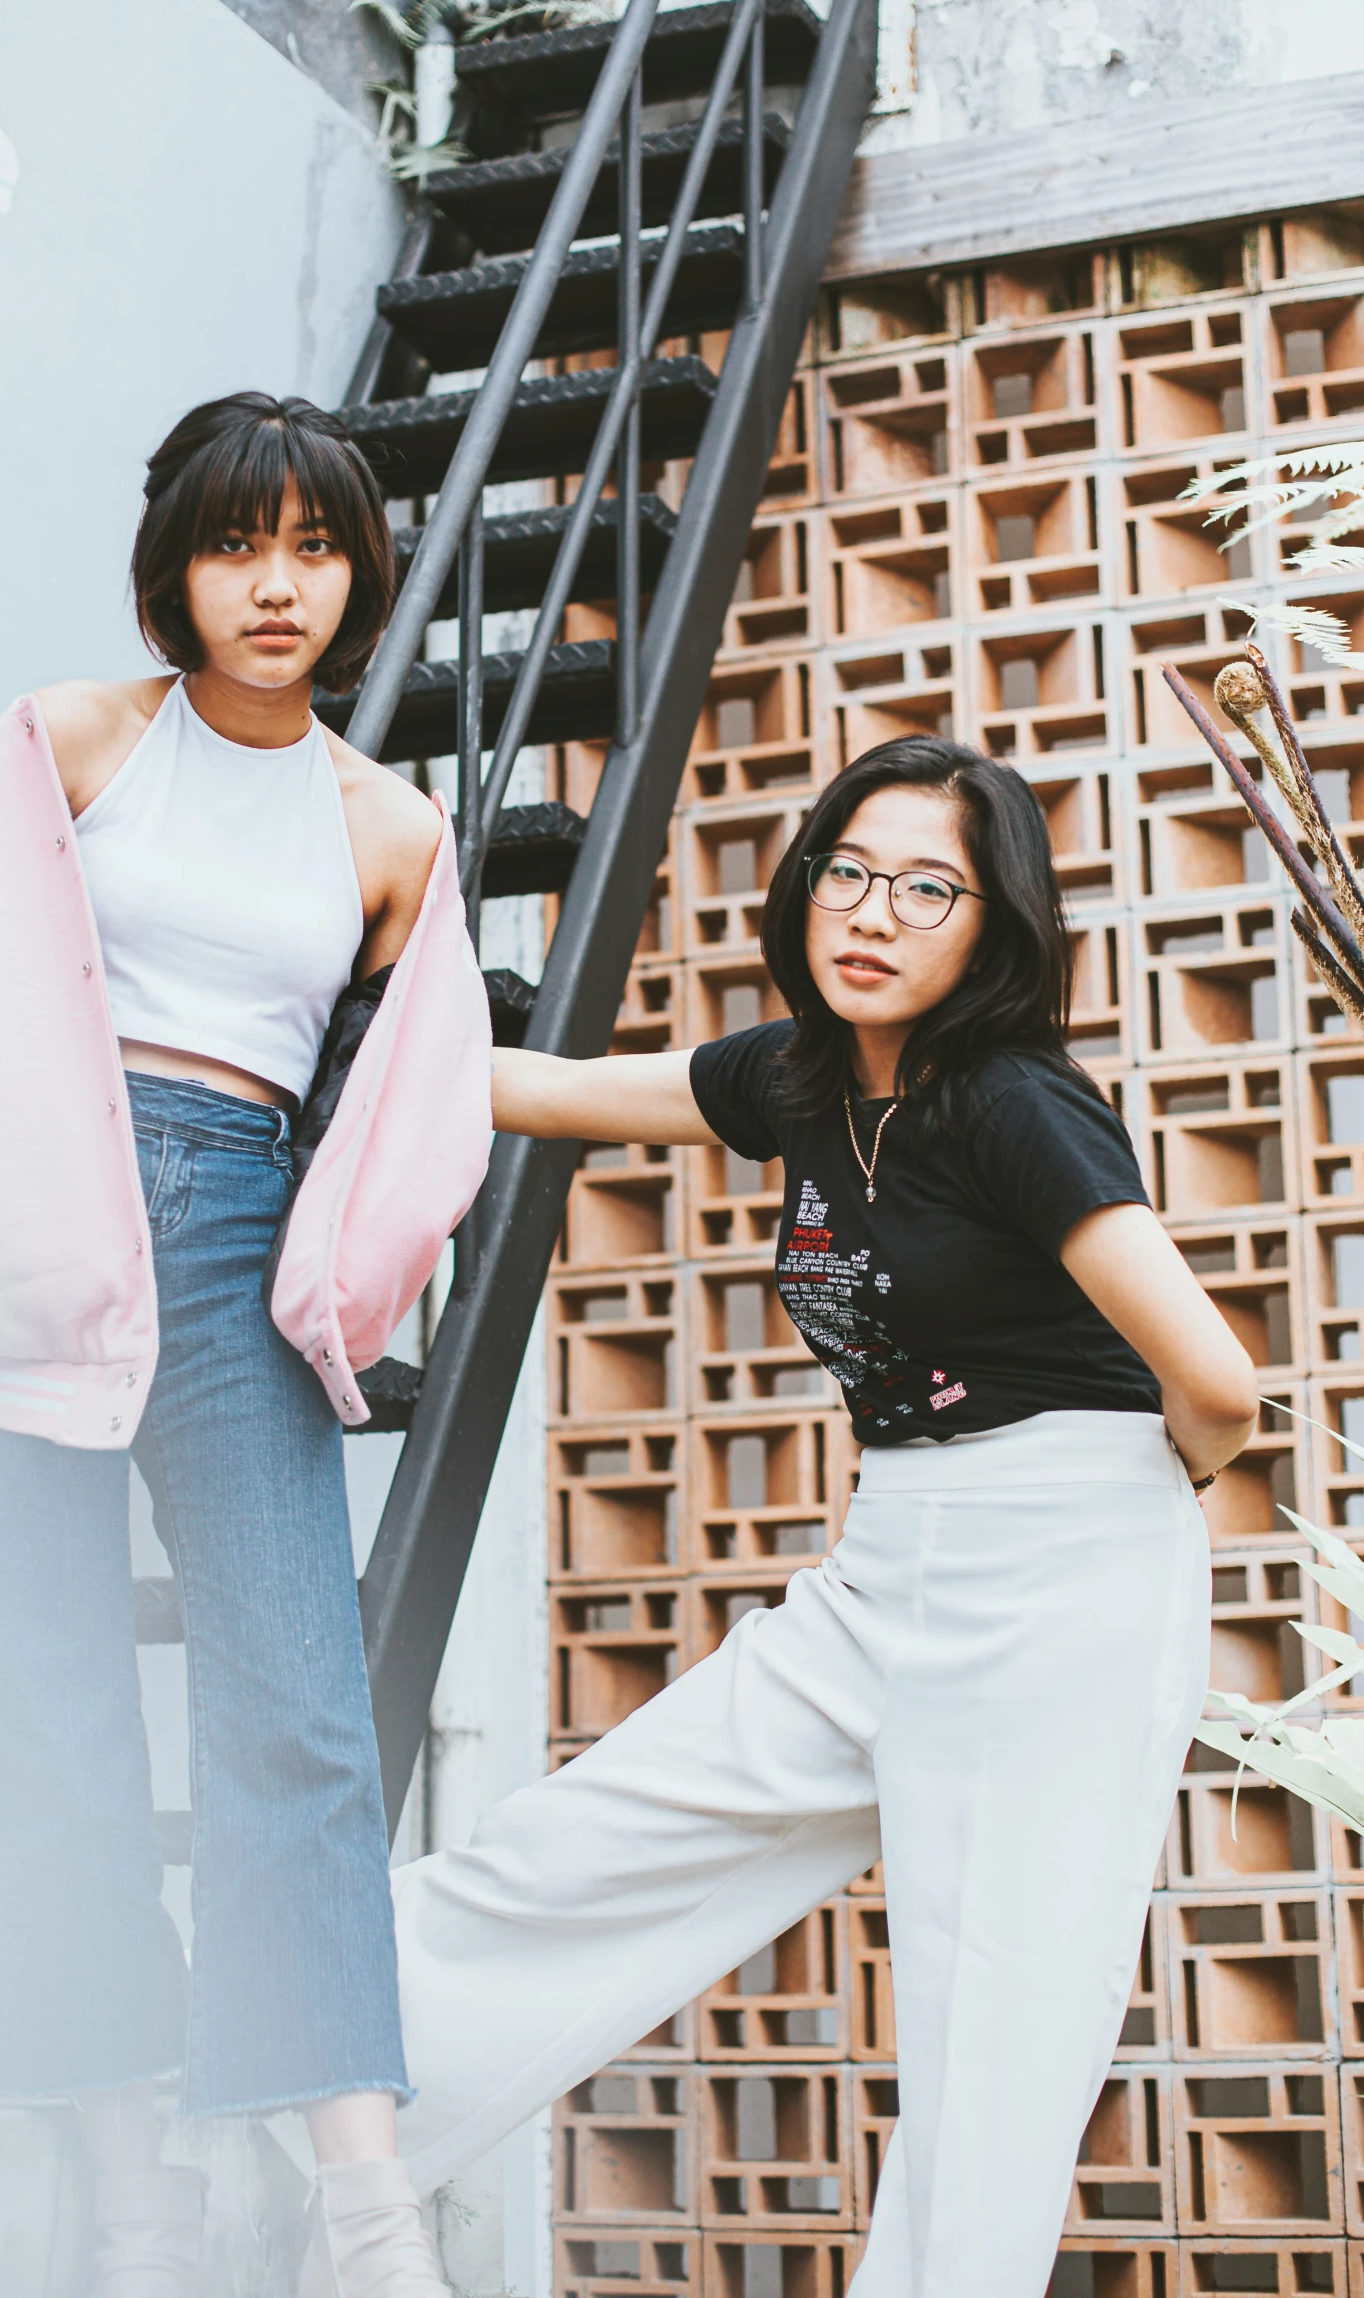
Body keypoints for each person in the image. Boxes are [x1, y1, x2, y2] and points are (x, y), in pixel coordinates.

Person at [387, 735, 1257, 2297]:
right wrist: (266, 1053)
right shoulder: (795, 1076)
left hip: (1066, 1560)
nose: (873, 911)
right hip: (892, 1550)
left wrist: (1133, 1501)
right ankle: (315, 2132)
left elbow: (1213, 1376)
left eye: (929, 888)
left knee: (994, 2037)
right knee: (586, 1847)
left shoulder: (1010, 1102)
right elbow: (558, 1087)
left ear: (992, 927)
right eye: (848, 871)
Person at [0, 394, 481, 2298]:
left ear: (357, 573)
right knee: (50, 1706)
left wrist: (346, 1273)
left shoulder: (387, 826)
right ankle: (132, 2195)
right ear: (176, 562)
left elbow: (423, 1096)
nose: (279, 586)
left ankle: (363, 2201)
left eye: (318, 547)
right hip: (32, 1221)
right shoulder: (73, 741)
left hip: (235, 1228)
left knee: (299, 1707)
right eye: (240, 544)